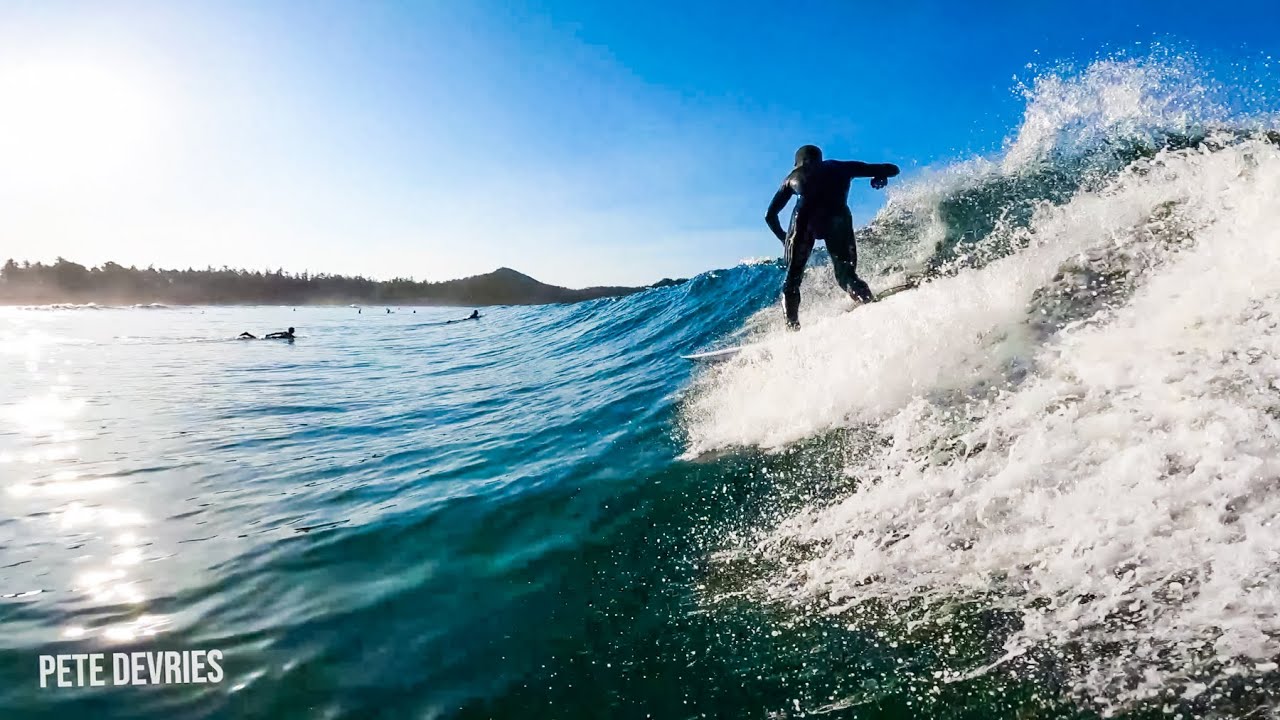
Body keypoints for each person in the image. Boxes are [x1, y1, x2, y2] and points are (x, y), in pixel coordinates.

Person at [765, 144, 899, 329]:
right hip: (837, 218)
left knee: (792, 282)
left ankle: (792, 327)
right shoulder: (841, 167)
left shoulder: (792, 177)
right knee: (847, 277)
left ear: (798, 162)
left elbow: (770, 215)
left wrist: (784, 238)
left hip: (805, 220)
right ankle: (869, 303)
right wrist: (880, 176)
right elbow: (892, 169)